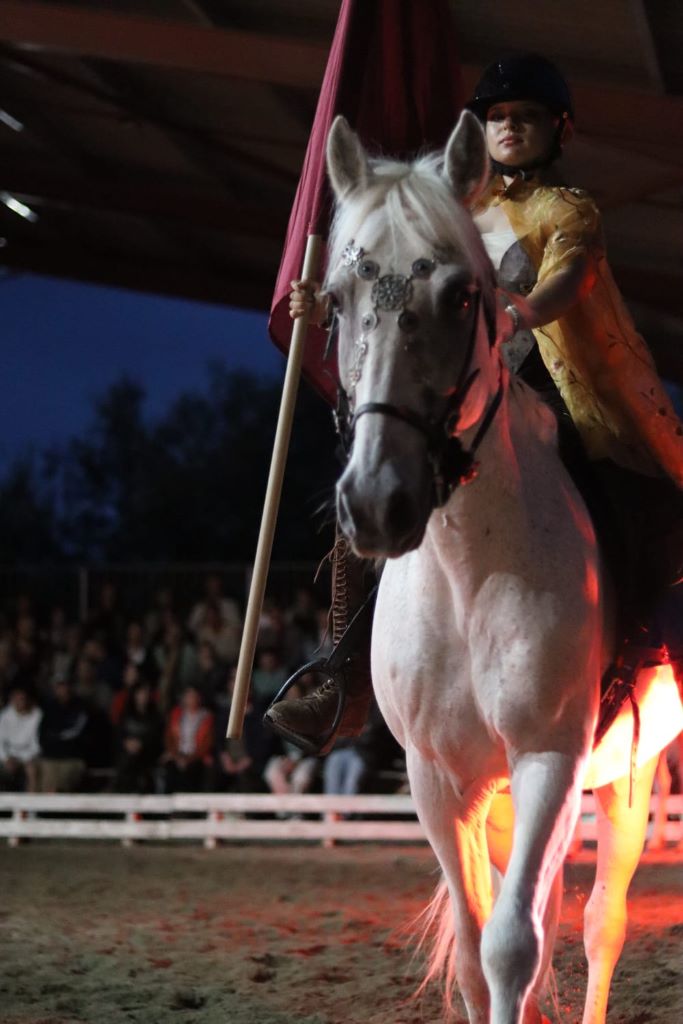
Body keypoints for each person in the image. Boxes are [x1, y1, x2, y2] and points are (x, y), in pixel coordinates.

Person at [265, 53, 683, 755]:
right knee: (367, 502)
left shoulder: (567, 209)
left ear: (559, 129)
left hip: (557, 389)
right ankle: (343, 676)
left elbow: (570, 280)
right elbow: (393, 285)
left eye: (525, 117)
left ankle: (644, 650)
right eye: (497, 118)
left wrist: (518, 313)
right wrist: (328, 298)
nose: (509, 128)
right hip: (468, 390)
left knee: (636, 501)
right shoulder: (453, 216)